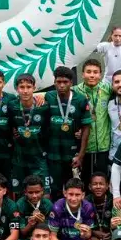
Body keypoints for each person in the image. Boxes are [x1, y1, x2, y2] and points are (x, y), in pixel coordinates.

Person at [45, 66, 92, 198]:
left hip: (72, 153)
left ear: (71, 83)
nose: (61, 85)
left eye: (65, 82)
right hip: (53, 153)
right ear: (54, 82)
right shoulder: (48, 97)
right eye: (58, 82)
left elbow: (86, 128)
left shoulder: (80, 100)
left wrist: (81, 155)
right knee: (54, 189)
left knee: (72, 188)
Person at [9, 74, 51, 195]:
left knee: (44, 192)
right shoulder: (12, 105)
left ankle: (44, 214)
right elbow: (9, 125)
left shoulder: (43, 106)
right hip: (19, 157)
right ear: (17, 89)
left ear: (34, 88)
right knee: (18, 192)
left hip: (38, 156)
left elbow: (49, 129)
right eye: (22, 87)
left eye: (29, 87)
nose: (25, 90)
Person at [75, 58, 113, 187]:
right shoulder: (75, 91)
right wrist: (39, 97)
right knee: (86, 184)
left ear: (100, 74)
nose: (92, 75)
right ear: (82, 74)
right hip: (85, 148)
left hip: (104, 147)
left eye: (95, 72)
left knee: (104, 184)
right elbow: (54, 94)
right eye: (89, 72)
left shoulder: (107, 89)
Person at [16, 175, 54, 240]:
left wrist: (42, 223)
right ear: (25, 192)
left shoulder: (48, 204)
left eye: (37, 192)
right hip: (26, 238)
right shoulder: (20, 204)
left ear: (42, 191)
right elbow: (22, 232)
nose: (34, 196)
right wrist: (30, 225)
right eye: (30, 192)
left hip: (43, 236)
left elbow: (52, 231)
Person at [86, 172, 113, 240]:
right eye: (95, 184)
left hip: (110, 233)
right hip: (92, 234)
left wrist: (111, 234)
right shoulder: (85, 202)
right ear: (90, 187)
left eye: (101, 184)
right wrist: (94, 233)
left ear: (107, 186)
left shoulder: (113, 200)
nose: (98, 187)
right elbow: (80, 224)